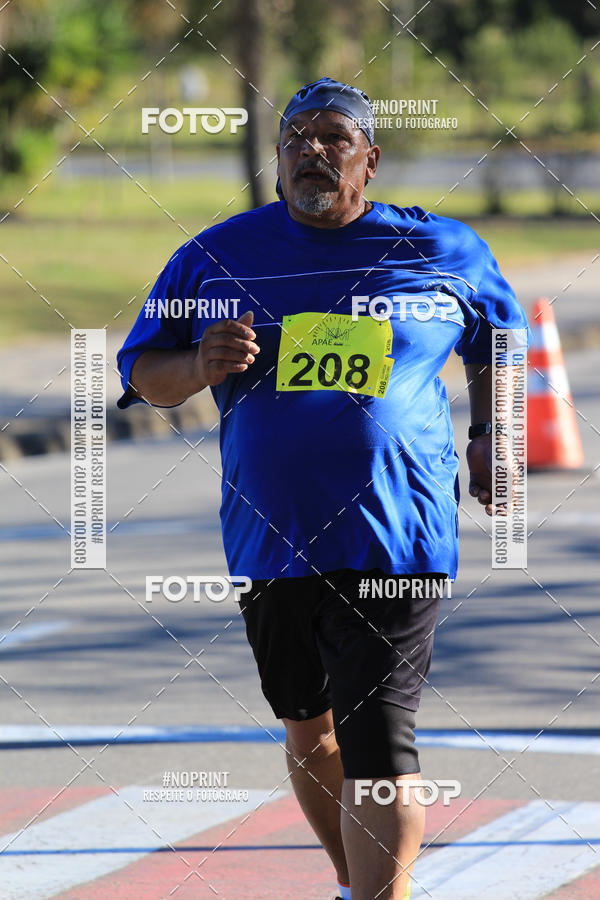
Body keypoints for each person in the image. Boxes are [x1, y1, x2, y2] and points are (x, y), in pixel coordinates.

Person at [117, 76, 529, 900]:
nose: (312, 150)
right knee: (310, 734)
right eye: (296, 137)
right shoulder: (214, 256)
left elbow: (500, 343)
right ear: (276, 161)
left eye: (334, 137)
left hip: (398, 532)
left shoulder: (440, 249)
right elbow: (141, 373)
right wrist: (196, 364)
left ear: (369, 160)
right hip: (270, 533)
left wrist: (496, 437)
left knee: (379, 744)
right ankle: (355, 886)